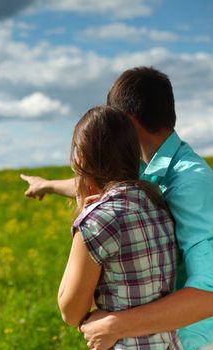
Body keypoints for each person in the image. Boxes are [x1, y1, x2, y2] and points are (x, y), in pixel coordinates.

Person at [21, 67, 213, 350]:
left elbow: (209, 294)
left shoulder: (189, 182)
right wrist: (46, 185)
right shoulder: (145, 168)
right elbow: (96, 182)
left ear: (126, 121)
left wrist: (114, 324)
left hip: (194, 340)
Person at [57, 105, 181, 349]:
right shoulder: (158, 203)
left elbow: (70, 311)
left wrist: (83, 218)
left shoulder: (97, 221)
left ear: (81, 158)